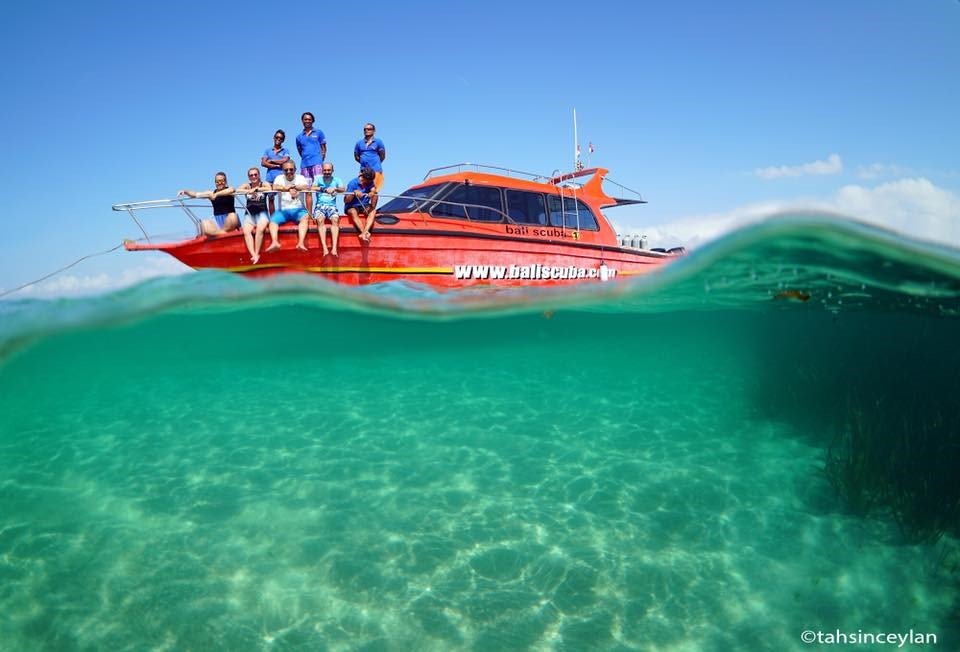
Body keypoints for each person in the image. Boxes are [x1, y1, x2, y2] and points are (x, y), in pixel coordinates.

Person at [177, 172, 240, 236]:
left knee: (233, 216)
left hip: (229, 219)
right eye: (217, 181)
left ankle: (219, 233)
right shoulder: (211, 193)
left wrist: (217, 194)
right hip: (217, 219)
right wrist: (185, 192)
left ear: (225, 181)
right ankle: (223, 233)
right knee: (204, 224)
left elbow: (231, 190)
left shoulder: (230, 189)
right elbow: (196, 194)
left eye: (221, 181)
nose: (219, 183)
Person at [267, 163, 311, 252]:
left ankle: (301, 243)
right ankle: (275, 242)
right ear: (283, 171)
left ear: (295, 169)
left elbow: (306, 187)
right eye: (286, 170)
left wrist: (294, 187)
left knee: (305, 218)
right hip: (283, 210)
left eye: (291, 169)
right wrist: (285, 188)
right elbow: (274, 187)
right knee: (272, 221)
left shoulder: (300, 178)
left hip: (299, 209)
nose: (288, 171)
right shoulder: (279, 178)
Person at [236, 167, 272, 264]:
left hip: (262, 213)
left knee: (260, 229)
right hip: (250, 214)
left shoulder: (263, 184)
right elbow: (237, 190)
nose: (254, 177)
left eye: (255, 174)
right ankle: (254, 255)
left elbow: (269, 188)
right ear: (249, 177)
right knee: (246, 231)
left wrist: (257, 189)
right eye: (251, 175)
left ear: (259, 175)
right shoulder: (247, 185)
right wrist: (248, 191)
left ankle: (257, 252)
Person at [312, 162, 345, 257]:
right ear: (322, 171)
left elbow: (343, 189)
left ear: (332, 171)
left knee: (335, 220)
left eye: (329, 170)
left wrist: (335, 189)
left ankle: (334, 249)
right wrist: (324, 189)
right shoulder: (318, 179)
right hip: (320, 205)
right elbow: (312, 187)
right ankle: (325, 249)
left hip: (332, 206)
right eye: (325, 170)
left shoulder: (337, 180)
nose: (327, 172)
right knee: (320, 220)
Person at [344, 167, 379, 244]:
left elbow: (373, 190)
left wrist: (373, 193)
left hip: (364, 205)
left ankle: (364, 232)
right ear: (364, 177)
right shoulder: (352, 183)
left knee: (373, 211)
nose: (369, 182)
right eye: (368, 181)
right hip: (352, 205)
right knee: (353, 211)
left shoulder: (370, 182)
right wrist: (353, 193)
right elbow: (346, 200)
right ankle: (364, 232)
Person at [261, 129, 291, 215]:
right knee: (270, 198)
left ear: (283, 140)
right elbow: (263, 163)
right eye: (277, 137)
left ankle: (285, 217)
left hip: (281, 178)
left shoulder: (285, 150)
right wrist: (276, 166)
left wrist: (271, 161)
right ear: (273, 138)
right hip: (270, 178)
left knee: (284, 198)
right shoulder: (267, 150)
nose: (278, 139)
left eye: (280, 138)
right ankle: (273, 218)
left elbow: (284, 161)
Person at [354, 122, 386, 191]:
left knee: (374, 191)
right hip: (363, 171)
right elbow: (356, 156)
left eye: (369, 129)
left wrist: (375, 163)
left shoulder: (378, 142)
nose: (366, 131)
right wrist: (364, 162)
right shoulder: (359, 143)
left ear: (374, 131)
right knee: (362, 190)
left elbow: (382, 155)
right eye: (365, 129)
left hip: (376, 170)